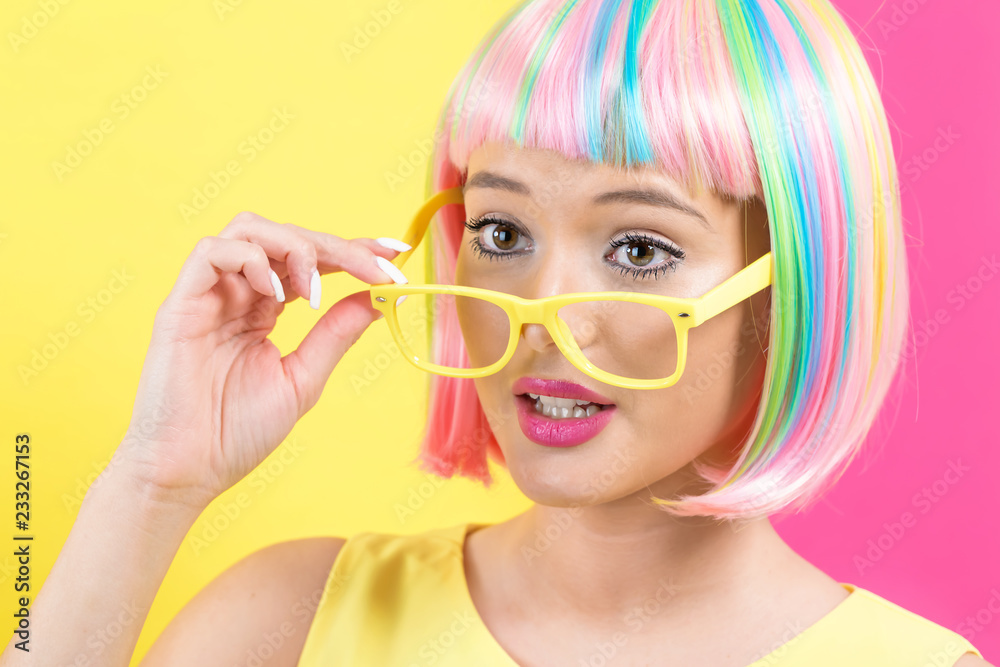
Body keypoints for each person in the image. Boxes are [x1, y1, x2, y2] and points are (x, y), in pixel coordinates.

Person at [1, 0, 990, 665]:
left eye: (638, 247)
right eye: (501, 231)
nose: (534, 316)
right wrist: (150, 485)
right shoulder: (289, 620)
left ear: (790, 290)